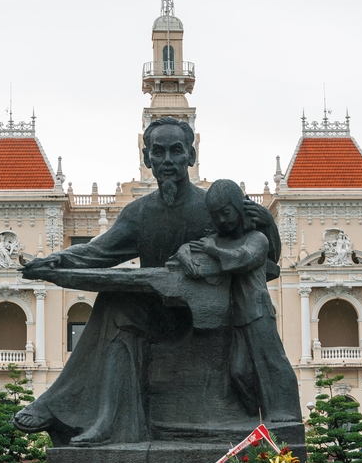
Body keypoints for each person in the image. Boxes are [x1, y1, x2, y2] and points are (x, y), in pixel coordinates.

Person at [14, 117, 281, 446]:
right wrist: (56, 260)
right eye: (158, 152)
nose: (167, 160)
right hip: (159, 313)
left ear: (191, 156)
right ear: (147, 159)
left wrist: (267, 223)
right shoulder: (139, 213)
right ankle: (105, 422)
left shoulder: (212, 207)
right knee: (116, 303)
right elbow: (98, 252)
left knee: (118, 304)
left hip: (209, 316)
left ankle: (61, 407)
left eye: (176, 151)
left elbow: (264, 257)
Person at [175, 179, 301, 422]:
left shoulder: (257, 239)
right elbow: (187, 248)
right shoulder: (219, 240)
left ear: (238, 207)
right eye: (216, 216)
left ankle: (285, 412)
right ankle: (253, 416)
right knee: (239, 371)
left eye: (226, 212)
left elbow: (240, 259)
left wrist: (212, 250)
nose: (222, 220)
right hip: (234, 317)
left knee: (273, 362)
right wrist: (184, 256)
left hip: (258, 312)